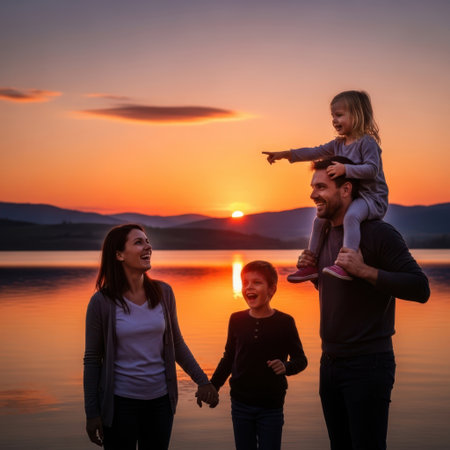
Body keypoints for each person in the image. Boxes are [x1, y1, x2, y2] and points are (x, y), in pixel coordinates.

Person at [300, 157, 430, 450]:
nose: (312, 194)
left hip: (368, 365)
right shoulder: (322, 236)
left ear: (346, 190)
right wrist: (312, 272)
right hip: (329, 364)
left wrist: (365, 271)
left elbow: (420, 288)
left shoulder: (379, 233)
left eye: (321, 186)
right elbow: (333, 289)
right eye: (312, 187)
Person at [83, 224, 218, 450]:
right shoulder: (101, 302)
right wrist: (92, 413)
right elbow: (92, 360)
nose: (148, 247)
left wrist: (203, 381)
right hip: (119, 405)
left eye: (147, 241)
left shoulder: (164, 292)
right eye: (139, 242)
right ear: (118, 254)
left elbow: (176, 344)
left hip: (160, 403)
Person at [263, 90, 388, 283]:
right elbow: (314, 152)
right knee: (319, 221)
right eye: (332, 116)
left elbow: (372, 169)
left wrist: (345, 169)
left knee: (352, 216)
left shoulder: (367, 143)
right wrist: (285, 154)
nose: (334, 120)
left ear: (356, 115)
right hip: (352, 197)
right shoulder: (338, 144)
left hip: (371, 199)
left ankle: (347, 263)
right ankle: (311, 265)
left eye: (339, 115)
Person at [210, 260, 308, 450]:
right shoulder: (236, 319)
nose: (249, 287)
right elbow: (229, 358)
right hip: (240, 404)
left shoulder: (285, 322)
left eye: (256, 282)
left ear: (272, 289)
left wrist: (286, 366)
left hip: (271, 406)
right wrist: (213, 386)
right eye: (245, 282)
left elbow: (301, 360)